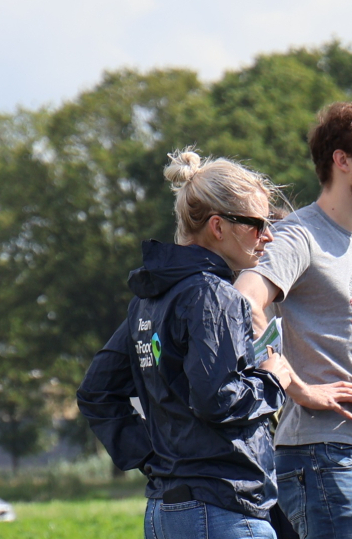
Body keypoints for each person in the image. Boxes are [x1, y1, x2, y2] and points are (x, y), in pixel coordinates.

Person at [78, 150, 289, 538]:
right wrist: (271, 381)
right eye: (259, 225)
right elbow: (217, 398)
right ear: (218, 226)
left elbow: (96, 392)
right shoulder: (215, 296)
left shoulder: (149, 299)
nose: (268, 236)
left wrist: (160, 459)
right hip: (222, 509)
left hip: (165, 511)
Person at [234, 101, 352, 538]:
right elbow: (243, 302)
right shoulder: (298, 236)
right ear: (343, 161)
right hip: (320, 456)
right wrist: (296, 387)